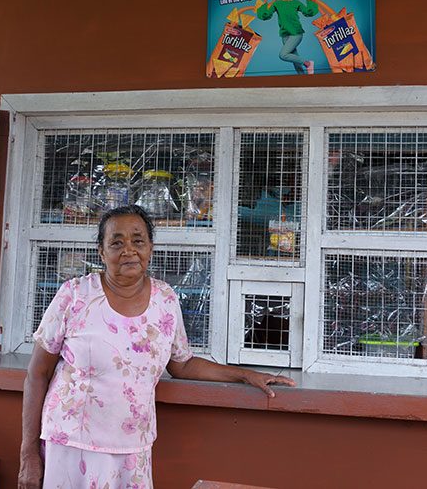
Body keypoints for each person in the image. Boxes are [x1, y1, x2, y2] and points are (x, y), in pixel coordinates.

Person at [18, 205, 295, 488]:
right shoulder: (75, 295)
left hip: (132, 447)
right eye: (116, 242)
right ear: (101, 252)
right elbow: (37, 374)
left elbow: (182, 364)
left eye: (138, 241)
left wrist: (246, 374)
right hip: (69, 442)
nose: (128, 250)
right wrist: (28, 453)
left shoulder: (165, 300)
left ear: (150, 248)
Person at [257, 0, 319, 74]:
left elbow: (308, 12)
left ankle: (307, 63)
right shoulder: (277, 3)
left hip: (296, 33)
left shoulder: (296, 3)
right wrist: (265, 2)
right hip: (285, 35)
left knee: (283, 55)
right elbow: (266, 15)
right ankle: (303, 79)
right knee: (294, 59)